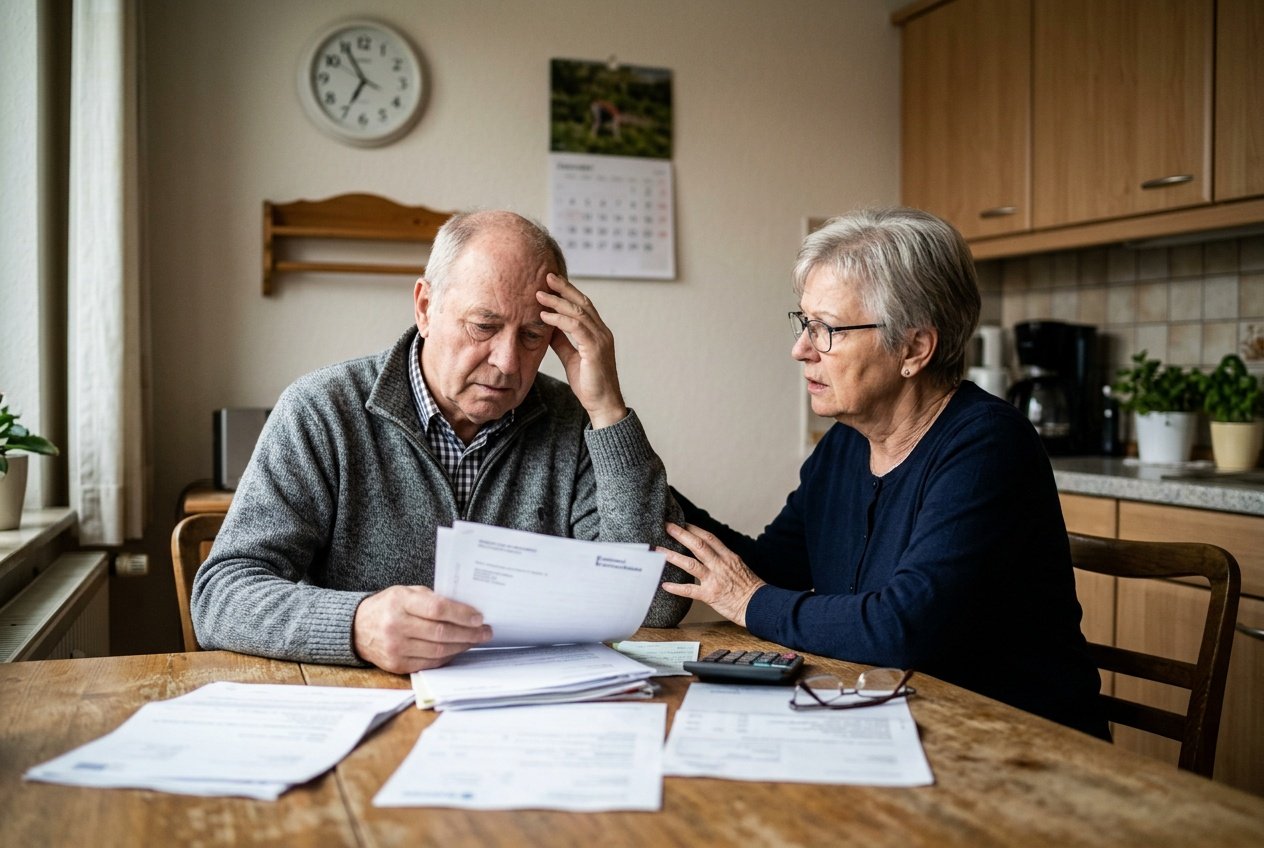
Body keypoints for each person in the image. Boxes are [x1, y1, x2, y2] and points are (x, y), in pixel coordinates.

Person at [660, 208, 1108, 739]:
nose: (800, 350)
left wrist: (750, 601)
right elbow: (773, 568)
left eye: (826, 329)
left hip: (1017, 743)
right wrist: (632, 469)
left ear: (914, 348)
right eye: (805, 324)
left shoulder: (988, 446)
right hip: (900, 722)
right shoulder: (846, 444)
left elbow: (902, 627)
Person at [192, 210, 690, 673]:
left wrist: (608, 410)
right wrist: (356, 625)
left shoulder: (576, 422)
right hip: (360, 705)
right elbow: (221, 596)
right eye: (484, 326)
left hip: (525, 708)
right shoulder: (322, 411)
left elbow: (658, 603)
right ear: (426, 308)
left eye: (532, 337)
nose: (507, 363)